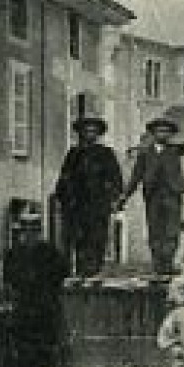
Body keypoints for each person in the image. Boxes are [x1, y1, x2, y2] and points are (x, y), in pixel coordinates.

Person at [118, 118, 184, 275]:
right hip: (153, 197)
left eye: (166, 131)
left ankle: (168, 265)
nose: (163, 134)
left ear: (171, 134)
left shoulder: (175, 150)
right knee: (155, 232)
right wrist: (124, 196)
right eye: (159, 131)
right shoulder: (145, 153)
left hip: (172, 196)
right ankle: (158, 267)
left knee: (171, 231)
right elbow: (135, 177)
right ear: (153, 133)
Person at [2, 209, 69, 367]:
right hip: (23, 306)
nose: (29, 234)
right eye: (25, 230)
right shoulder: (14, 253)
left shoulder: (49, 251)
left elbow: (62, 273)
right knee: (23, 347)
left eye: (33, 230)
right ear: (20, 231)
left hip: (45, 306)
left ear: (39, 231)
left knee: (45, 346)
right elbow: (8, 279)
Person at [53, 116, 122, 277]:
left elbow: (116, 179)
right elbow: (64, 178)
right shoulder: (73, 154)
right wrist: (63, 198)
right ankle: (78, 274)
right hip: (76, 206)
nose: (90, 134)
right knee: (77, 240)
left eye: (93, 131)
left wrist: (112, 198)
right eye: (87, 131)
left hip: (98, 206)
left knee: (96, 240)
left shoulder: (106, 153)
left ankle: (93, 273)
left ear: (98, 134)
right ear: (81, 133)